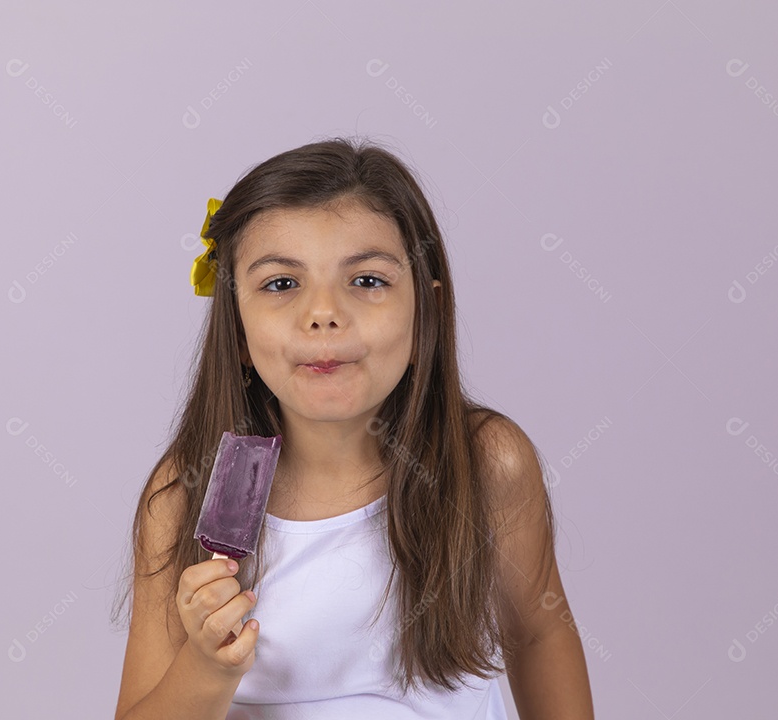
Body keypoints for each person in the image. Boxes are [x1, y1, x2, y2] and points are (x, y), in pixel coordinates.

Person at [111, 137, 595, 719]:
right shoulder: (183, 495)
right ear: (236, 331)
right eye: (281, 283)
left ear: (427, 314)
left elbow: (539, 635)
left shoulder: (487, 463)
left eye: (367, 280)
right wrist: (205, 666)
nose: (324, 313)